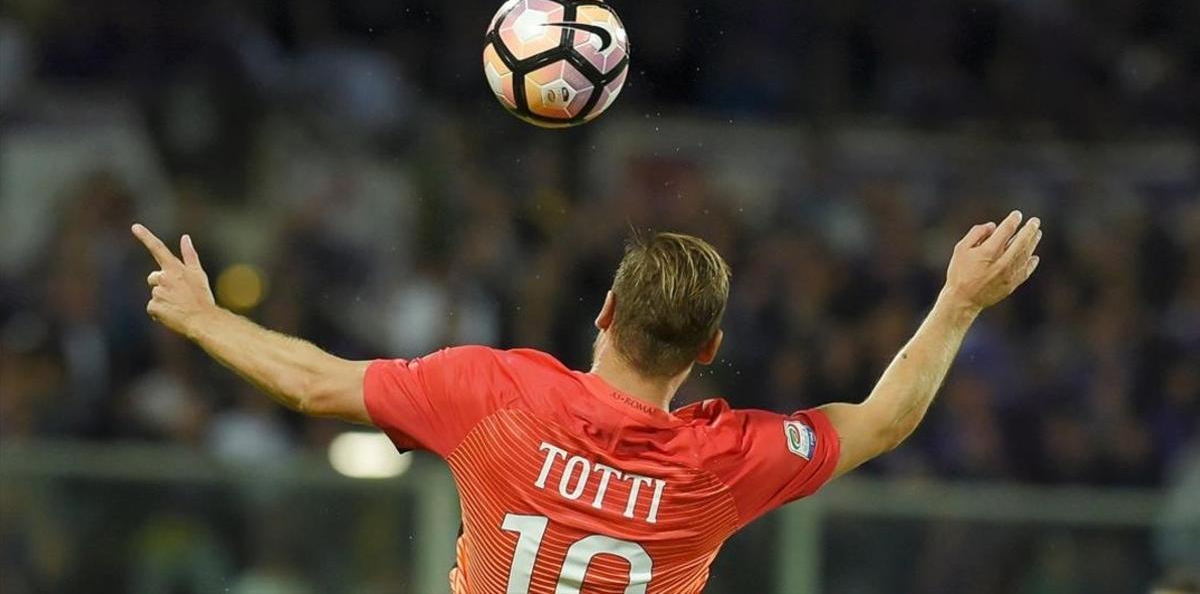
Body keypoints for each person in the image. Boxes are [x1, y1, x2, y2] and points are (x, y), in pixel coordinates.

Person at [131, 209, 1042, 594]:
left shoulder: (492, 393)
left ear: (605, 311)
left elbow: (313, 381)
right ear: (710, 350)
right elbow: (885, 419)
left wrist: (206, 318)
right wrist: (958, 301)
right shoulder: (724, 465)